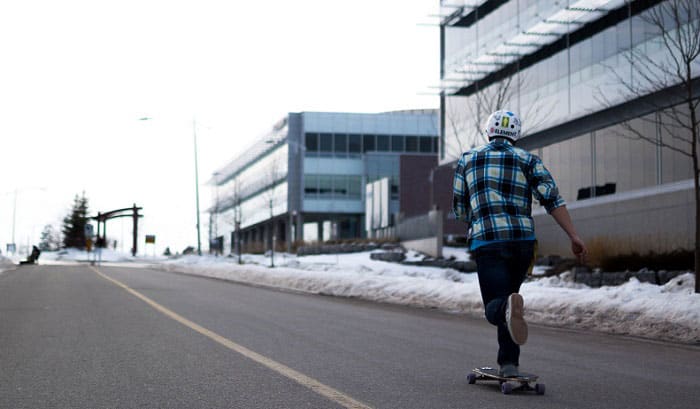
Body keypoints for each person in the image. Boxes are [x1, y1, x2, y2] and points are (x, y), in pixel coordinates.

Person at [452, 109, 587, 377]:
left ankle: (505, 313)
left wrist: (478, 215)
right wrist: (574, 236)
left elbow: (459, 209)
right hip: (522, 242)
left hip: (488, 241)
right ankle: (509, 364)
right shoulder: (529, 160)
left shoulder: (468, 159)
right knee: (511, 300)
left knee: (497, 308)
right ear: (516, 134)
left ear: (488, 132)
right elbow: (552, 200)